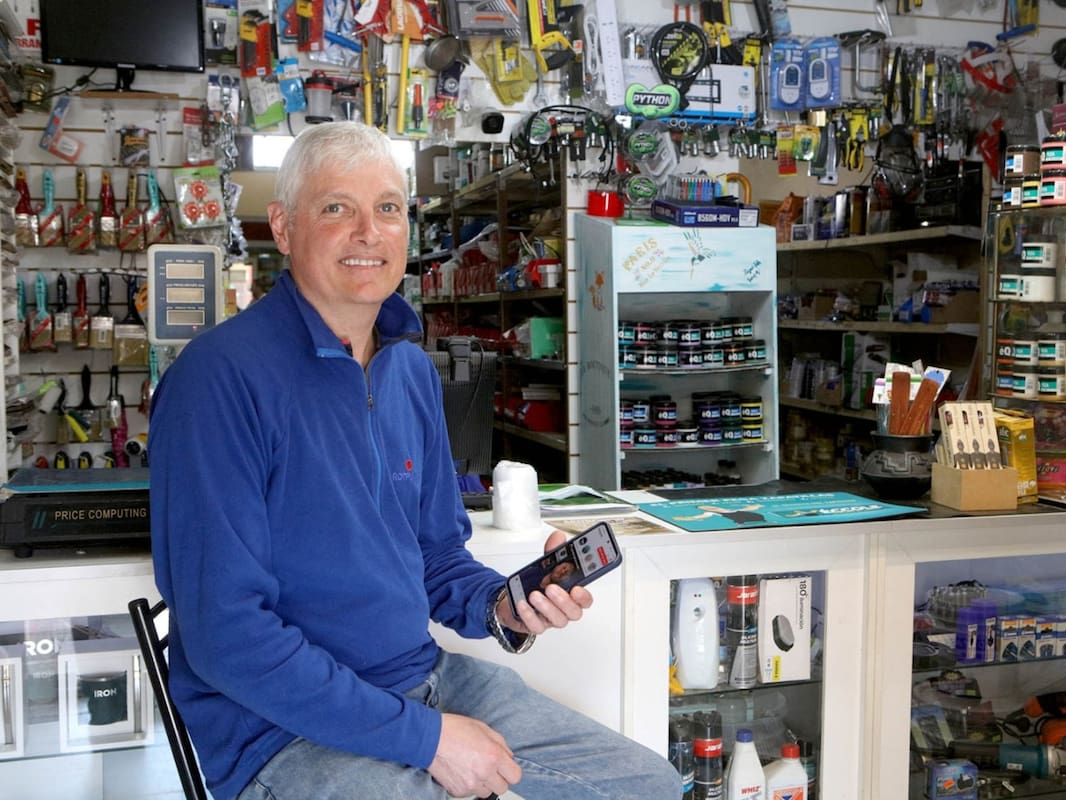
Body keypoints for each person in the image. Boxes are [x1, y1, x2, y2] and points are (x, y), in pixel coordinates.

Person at [149, 121, 680, 800]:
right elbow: (227, 635)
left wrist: (505, 605)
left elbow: (435, 556)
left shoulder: (409, 371)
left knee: (647, 786)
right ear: (283, 227)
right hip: (279, 733)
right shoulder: (218, 380)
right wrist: (427, 740)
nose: (368, 232)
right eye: (336, 207)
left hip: (423, 681)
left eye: (388, 208)